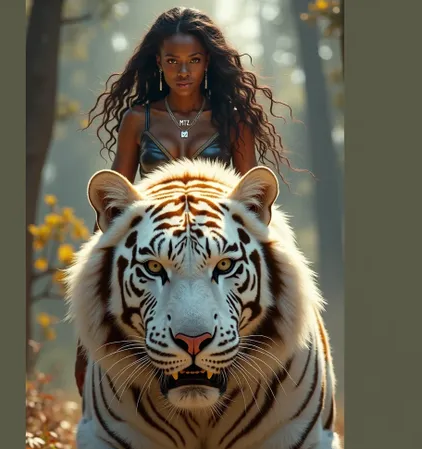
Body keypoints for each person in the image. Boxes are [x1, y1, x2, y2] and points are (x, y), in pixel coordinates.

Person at [74, 6, 299, 396]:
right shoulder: (137, 119)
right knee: (92, 295)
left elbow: (256, 203)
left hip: (217, 244)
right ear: (158, 62)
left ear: (207, 62)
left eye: (193, 61)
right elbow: (116, 198)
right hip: (154, 244)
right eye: (173, 61)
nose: (183, 71)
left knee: (290, 283)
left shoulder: (234, 118)